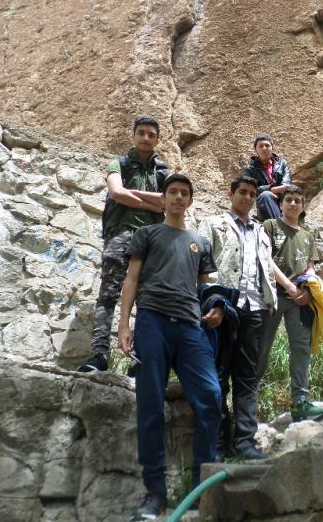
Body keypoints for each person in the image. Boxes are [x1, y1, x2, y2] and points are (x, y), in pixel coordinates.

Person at [117, 174, 223, 520]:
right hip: (153, 320)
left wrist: (216, 308)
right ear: (163, 199)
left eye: (184, 193)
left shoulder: (200, 243)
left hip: (191, 326)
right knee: (150, 403)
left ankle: (199, 489)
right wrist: (124, 324)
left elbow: (205, 288)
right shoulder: (147, 234)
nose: (178, 197)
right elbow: (132, 278)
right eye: (173, 192)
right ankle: (155, 493)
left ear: (190, 201)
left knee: (210, 396)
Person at [78, 115, 170, 372]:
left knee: (147, 300)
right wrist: (150, 202)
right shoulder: (118, 163)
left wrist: (134, 195)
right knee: (108, 294)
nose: (146, 138)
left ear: (157, 140)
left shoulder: (164, 172)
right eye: (141, 133)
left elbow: (167, 201)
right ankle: (99, 355)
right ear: (133, 135)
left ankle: (138, 361)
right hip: (120, 233)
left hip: (151, 239)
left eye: (151, 135)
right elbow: (116, 192)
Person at [197, 176, 277, 460]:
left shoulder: (261, 231)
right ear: (231, 194)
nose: (248, 197)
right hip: (223, 305)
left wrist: (271, 299)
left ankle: (245, 442)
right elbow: (200, 265)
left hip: (254, 308)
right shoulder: (213, 224)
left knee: (247, 376)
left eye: (252, 194)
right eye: (242, 192)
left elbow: (266, 267)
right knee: (217, 375)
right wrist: (210, 300)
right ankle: (219, 443)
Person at [257, 185, 323, 422]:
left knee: (301, 348)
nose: (293, 204)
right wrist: (289, 286)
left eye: (298, 200)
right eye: (289, 200)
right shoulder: (270, 226)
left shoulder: (307, 236)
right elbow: (265, 259)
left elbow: (310, 267)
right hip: (272, 296)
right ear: (281, 204)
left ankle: (301, 402)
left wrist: (308, 288)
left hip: (300, 300)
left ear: (303, 206)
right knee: (261, 348)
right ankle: (248, 399)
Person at [242, 134, 291, 221]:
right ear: (255, 150)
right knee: (265, 195)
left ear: (272, 147)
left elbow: (286, 186)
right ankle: (278, 227)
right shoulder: (250, 169)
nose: (264, 148)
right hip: (265, 204)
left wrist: (266, 189)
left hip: (283, 200)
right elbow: (250, 190)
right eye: (261, 146)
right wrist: (272, 189)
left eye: (267, 145)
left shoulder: (282, 164)